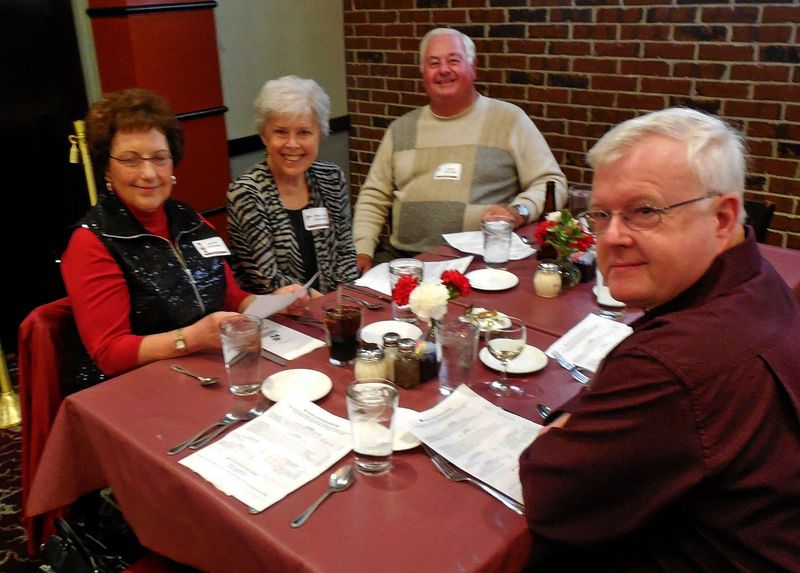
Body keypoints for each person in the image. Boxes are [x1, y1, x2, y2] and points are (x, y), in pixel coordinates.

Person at [519, 108, 800, 571]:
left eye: (644, 211)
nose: (612, 237)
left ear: (722, 217)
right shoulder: (758, 282)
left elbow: (549, 492)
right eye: (601, 214)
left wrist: (564, 426)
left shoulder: (673, 365)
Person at [61, 88, 307, 394]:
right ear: (107, 169)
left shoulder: (189, 220)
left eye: (159, 158)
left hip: (206, 371)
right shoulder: (92, 241)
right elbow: (110, 354)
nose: (149, 173)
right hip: (134, 389)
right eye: (131, 160)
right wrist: (190, 338)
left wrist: (275, 302)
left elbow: (231, 298)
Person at [352, 27, 567, 272]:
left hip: (482, 265)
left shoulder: (509, 120)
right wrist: (362, 250)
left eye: (453, 60)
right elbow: (373, 197)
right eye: (434, 63)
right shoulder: (400, 129)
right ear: (423, 73)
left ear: (472, 68)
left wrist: (519, 210)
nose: (444, 70)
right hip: (407, 262)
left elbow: (552, 182)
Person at [227, 75, 358, 294]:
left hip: (335, 310)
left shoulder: (331, 179)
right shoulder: (246, 194)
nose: (292, 144)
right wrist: (323, 306)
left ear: (320, 135)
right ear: (264, 135)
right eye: (280, 131)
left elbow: (345, 254)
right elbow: (266, 280)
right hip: (277, 318)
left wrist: (345, 302)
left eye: (304, 132)